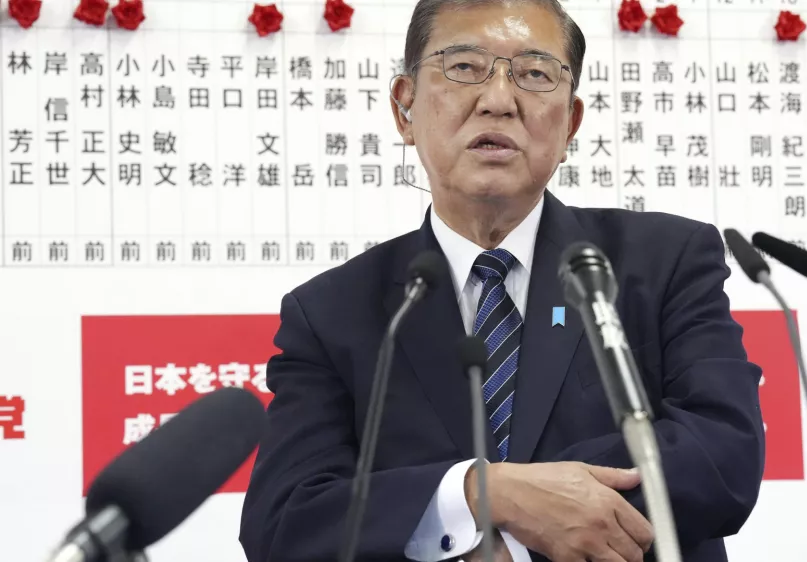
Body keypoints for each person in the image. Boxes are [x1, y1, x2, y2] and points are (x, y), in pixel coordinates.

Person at [239, 0, 765, 560]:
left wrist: (526, 518)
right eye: (464, 66)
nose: (497, 100)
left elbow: (722, 455)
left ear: (571, 123)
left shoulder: (663, 260)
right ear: (404, 108)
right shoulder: (332, 313)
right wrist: (476, 497)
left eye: (535, 74)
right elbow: (284, 521)